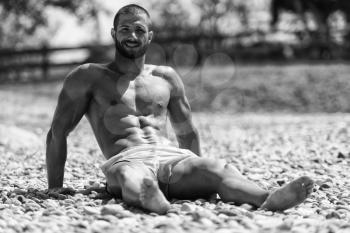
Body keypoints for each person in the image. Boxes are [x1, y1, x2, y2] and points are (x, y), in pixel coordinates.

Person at [46, 4, 314, 214]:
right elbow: (58, 131)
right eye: (125, 29)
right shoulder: (87, 76)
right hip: (127, 158)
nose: (132, 35)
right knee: (130, 175)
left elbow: (186, 132)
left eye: (139, 30)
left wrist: (197, 168)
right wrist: (54, 187)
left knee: (218, 168)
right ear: (114, 33)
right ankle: (148, 198)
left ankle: (268, 198)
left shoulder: (166, 77)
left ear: (150, 37)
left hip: (171, 157)